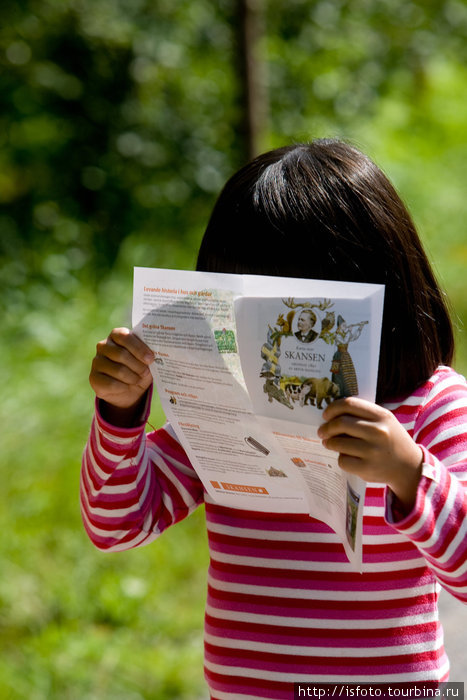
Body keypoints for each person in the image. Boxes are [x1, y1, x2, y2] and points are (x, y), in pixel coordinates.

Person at [81, 139, 467, 700]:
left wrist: (409, 471)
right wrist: (121, 413)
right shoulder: (227, 399)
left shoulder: (433, 404)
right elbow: (116, 526)